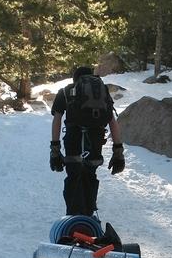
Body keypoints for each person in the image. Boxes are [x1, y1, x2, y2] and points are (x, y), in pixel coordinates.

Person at [49, 66, 125, 217]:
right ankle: (88, 215)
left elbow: (57, 120)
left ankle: (73, 218)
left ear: (74, 78)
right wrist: (118, 152)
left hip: (73, 139)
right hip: (95, 140)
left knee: (73, 175)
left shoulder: (65, 91)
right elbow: (112, 121)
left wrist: (55, 149)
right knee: (90, 174)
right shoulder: (101, 93)